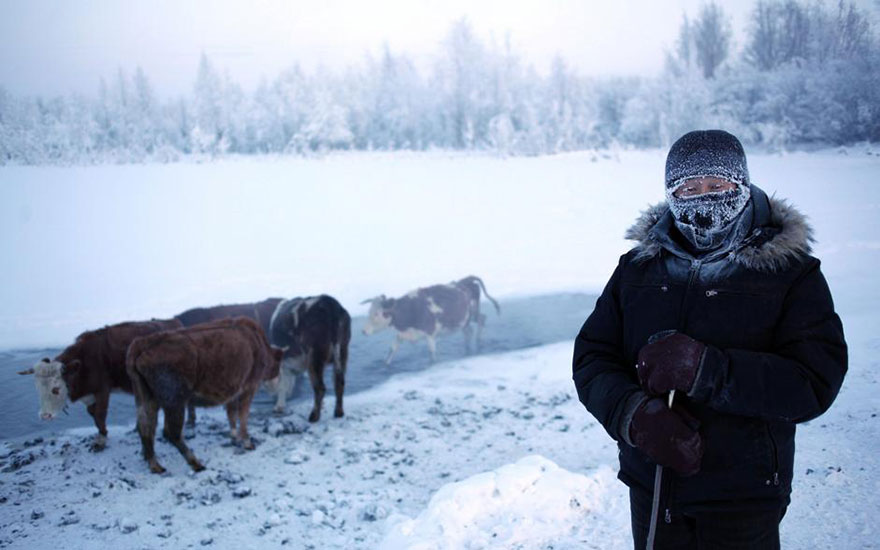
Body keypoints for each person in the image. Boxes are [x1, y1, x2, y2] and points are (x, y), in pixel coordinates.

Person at [572, 130, 847, 549]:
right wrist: (634, 416)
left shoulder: (790, 273)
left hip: (744, 495)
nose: (704, 198)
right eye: (689, 188)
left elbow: (813, 382)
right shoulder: (637, 270)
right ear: (671, 194)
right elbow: (593, 357)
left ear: (742, 185)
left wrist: (706, 370)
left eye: (718, 185)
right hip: (654, 487)